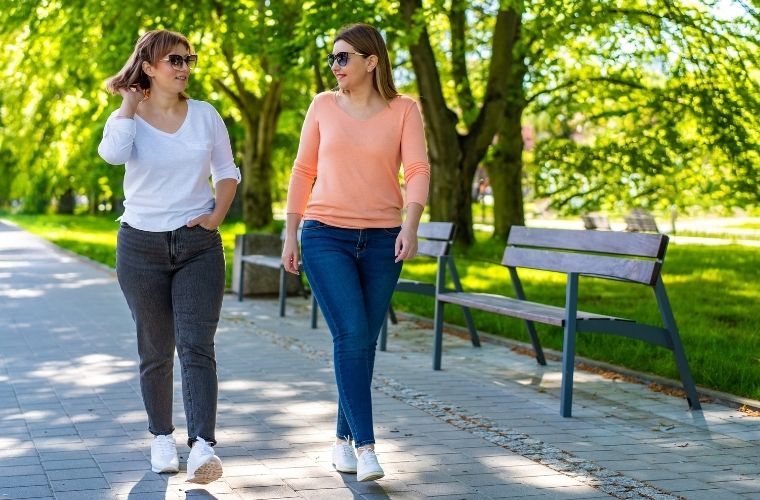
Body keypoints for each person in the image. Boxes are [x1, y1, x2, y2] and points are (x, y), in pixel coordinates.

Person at [281, 23, 430, 482]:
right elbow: (303, 170)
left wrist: (411, 224)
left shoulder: (405, 109)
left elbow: (418, 169)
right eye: (332, 58)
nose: (335, 66)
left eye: (343, 57)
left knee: (362, 340)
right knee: (351, 334)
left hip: (384, 240)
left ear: (372, 61)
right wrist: (291, 234)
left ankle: (342, 440)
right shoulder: (323, 105)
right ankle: (366, 447)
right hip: (326, 235)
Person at [97, 29, 240, 485]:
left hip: (197, 245)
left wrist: (216, 216)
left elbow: (227, 171)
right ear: (150, 67)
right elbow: (112, 156)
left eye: (187, 60)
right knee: (155, 349)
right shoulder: (129, 119)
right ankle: (161, 436)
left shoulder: (205, 115)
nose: (183, 67)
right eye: (173, 60)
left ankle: (202, 447)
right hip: (140, 246)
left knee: (197, 346)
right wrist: (127, 104)